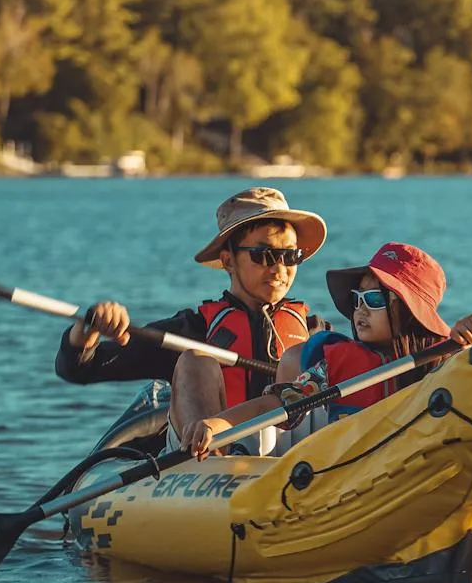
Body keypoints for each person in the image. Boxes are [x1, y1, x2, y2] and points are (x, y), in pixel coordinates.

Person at [55, 186, 329, 453]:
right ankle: (211, 464)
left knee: (306, 356)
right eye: (263, 255)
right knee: (194, 360)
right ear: (228, 260)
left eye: (290, 256)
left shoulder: (314, 330)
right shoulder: (191, 330)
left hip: (292, 460)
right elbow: (80, 369)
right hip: (208, 464)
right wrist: (87, 331)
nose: (279, 268)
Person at [179, 241, 472, 459]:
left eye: (373, 301)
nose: (359, 310)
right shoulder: (336, 366)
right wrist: (217, 425)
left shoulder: (448, 358)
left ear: (409, 311)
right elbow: (277, 403)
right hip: (347, 479)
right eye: (357, 299)